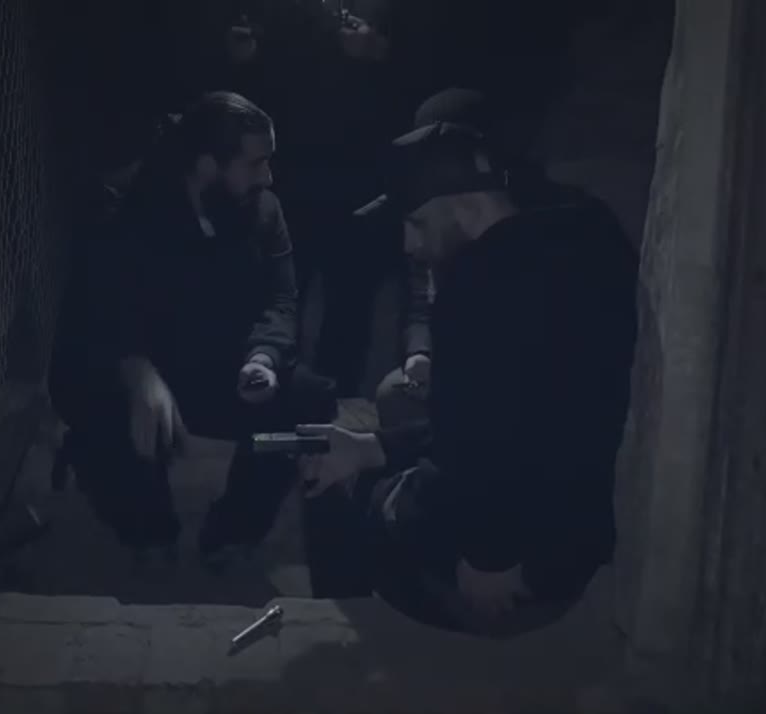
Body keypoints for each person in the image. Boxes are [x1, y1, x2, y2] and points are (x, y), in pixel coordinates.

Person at [300, 121, 638, 636]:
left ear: (467, 206)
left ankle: (359, 640)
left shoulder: (479, 285)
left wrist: (487, 559)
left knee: (339, 491)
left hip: (517, 580)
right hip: (577, 536)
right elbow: (522, 418)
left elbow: (477, 444)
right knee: (375, 442)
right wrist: (375, 446)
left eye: (417, 222)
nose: (408, 243)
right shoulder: (587, 234)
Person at [56, 91, 335, 568]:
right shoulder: (126, 215)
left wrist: (263, 359)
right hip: (144, 373)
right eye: (256, 163)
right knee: (94, 398)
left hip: (223, 370)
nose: (268, 176)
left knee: (309, 401)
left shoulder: (263, 210)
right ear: (207, 164)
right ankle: (145, 526)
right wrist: (136, 370)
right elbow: (95, 317)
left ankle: (234, 529)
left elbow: (281, 299)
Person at [373, 87, 589, 426]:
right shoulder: (437, 226)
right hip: (461, 374)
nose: (411, 243)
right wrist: (421, 354)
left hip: (526, 390)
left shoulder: (553, 234)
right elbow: (421, 300)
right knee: (394, 394)